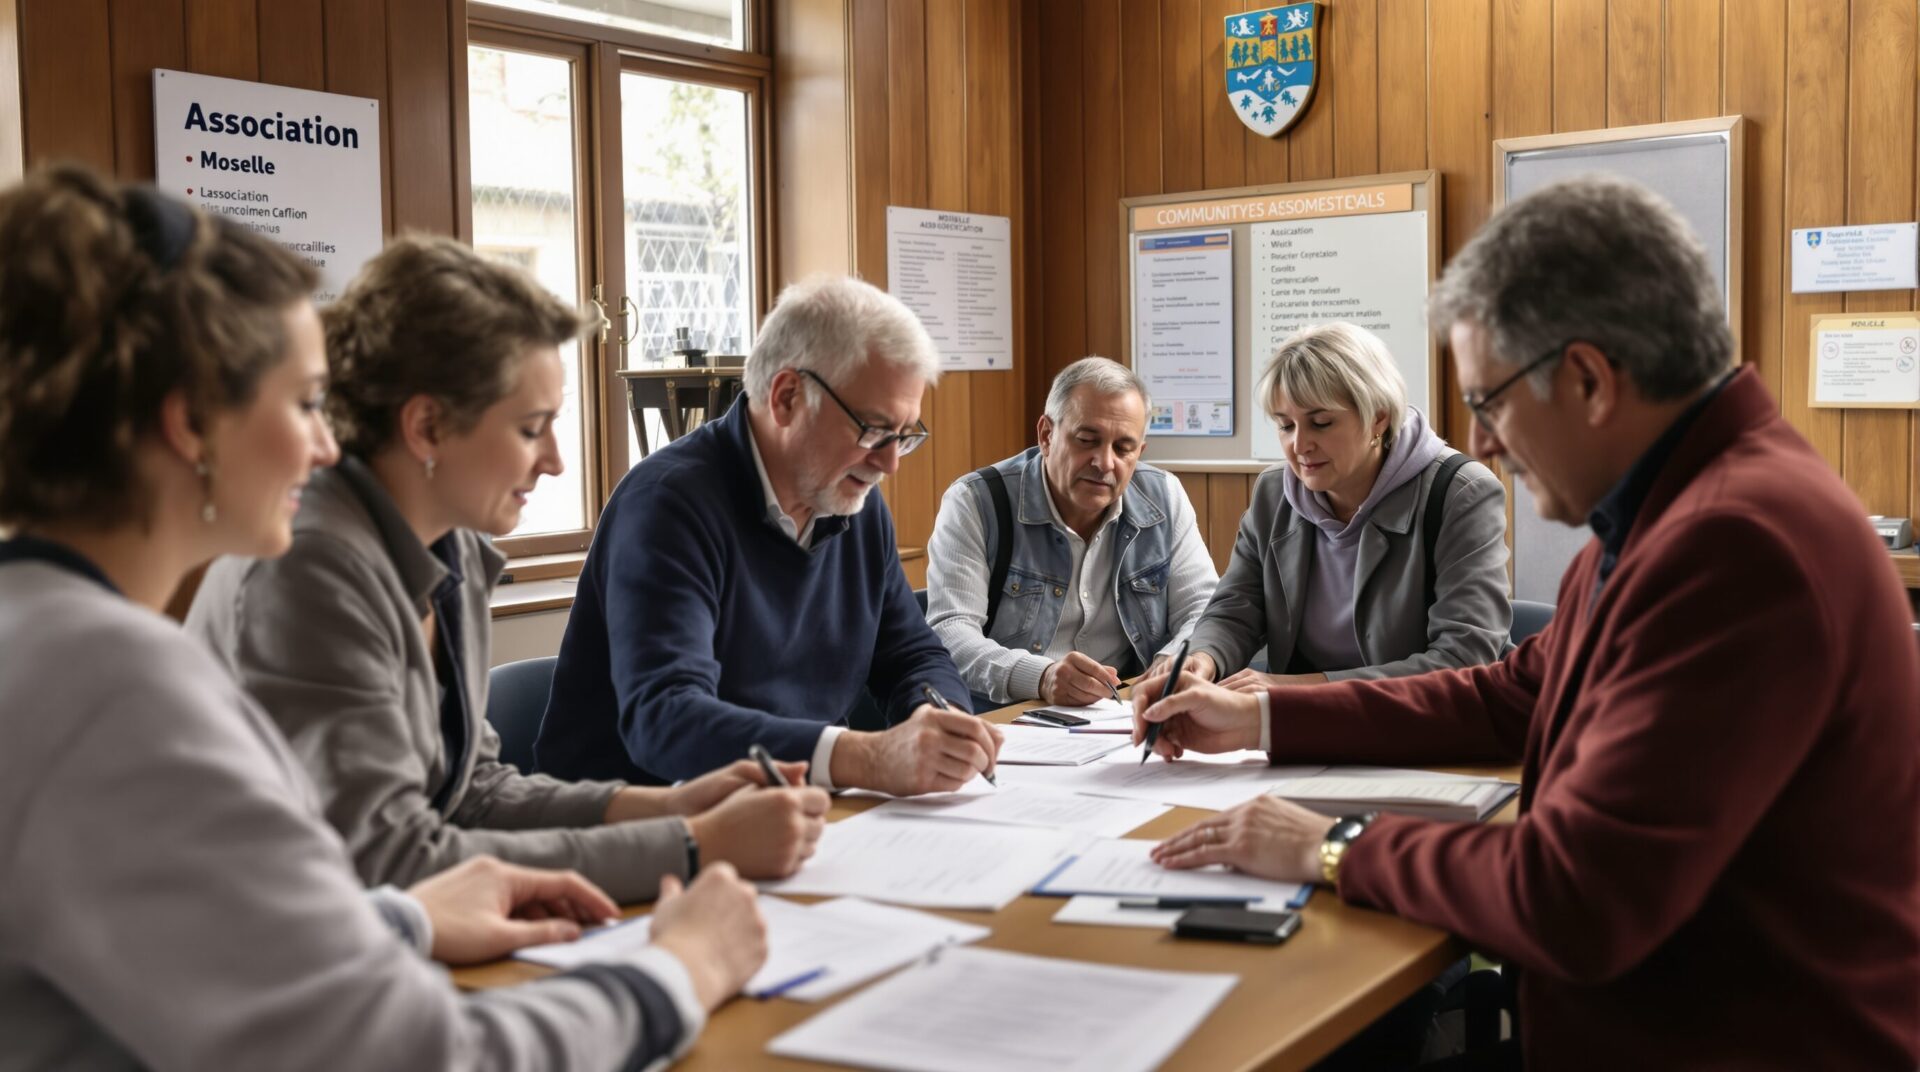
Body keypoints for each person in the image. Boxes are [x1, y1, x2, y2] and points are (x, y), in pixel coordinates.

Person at [1134, 175, 1920, 1069]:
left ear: (1586, 378)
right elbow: (1508, 692)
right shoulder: (1677, 512)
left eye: (1489, 402)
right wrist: (1262, 714)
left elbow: (1579, 898)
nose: (1484, 444)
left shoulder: (1730, 543)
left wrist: (1332, 845)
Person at [0, 167, 768, 1069]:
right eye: (303, 404)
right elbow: (417, 1055)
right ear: (190, 425)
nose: (326, 443)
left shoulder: (49, 637)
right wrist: (680, 969)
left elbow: (189, 922)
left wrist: (397, 919)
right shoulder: (116, 686)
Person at [189, 236, 826, 903]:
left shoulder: (449, 538)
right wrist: (694, 848)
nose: (554, 460)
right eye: (531, 428)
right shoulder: (310, 567)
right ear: (428, 427)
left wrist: (674, 808)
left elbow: (474, 793)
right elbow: (389, 858)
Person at [536, 276, 998, 794]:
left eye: (904, 435)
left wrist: (943, 720)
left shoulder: (853, 503)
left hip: (791, 813)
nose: (890, 462)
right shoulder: (667, 506)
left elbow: (911, 654)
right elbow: (666, 720)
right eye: (872, 429)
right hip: (639, 834)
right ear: (786, 398)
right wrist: (860, 756)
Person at [1178, 321, 1510, 691]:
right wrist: (1202, 658)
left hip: (1422, 729)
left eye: (1321, 423)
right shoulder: (1274, 492)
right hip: (1300, 730)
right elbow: (1235, 610)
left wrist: (1300, 688)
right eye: (1285, 426)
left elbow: (1465, 658)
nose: (1300, 445)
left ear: (1378, 417)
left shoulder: (1461, 493)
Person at [925, 356, 1217, 707]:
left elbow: (1203, 609)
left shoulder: (1164, 498)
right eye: (1086, 440)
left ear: (1139, 452)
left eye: (1123, 448)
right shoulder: (976, 501)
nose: (1104, 463)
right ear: (1047, 435)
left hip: (1123, 713)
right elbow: (950, 633)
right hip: (1011, 715)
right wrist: (1042, 677)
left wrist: (1173, 662)